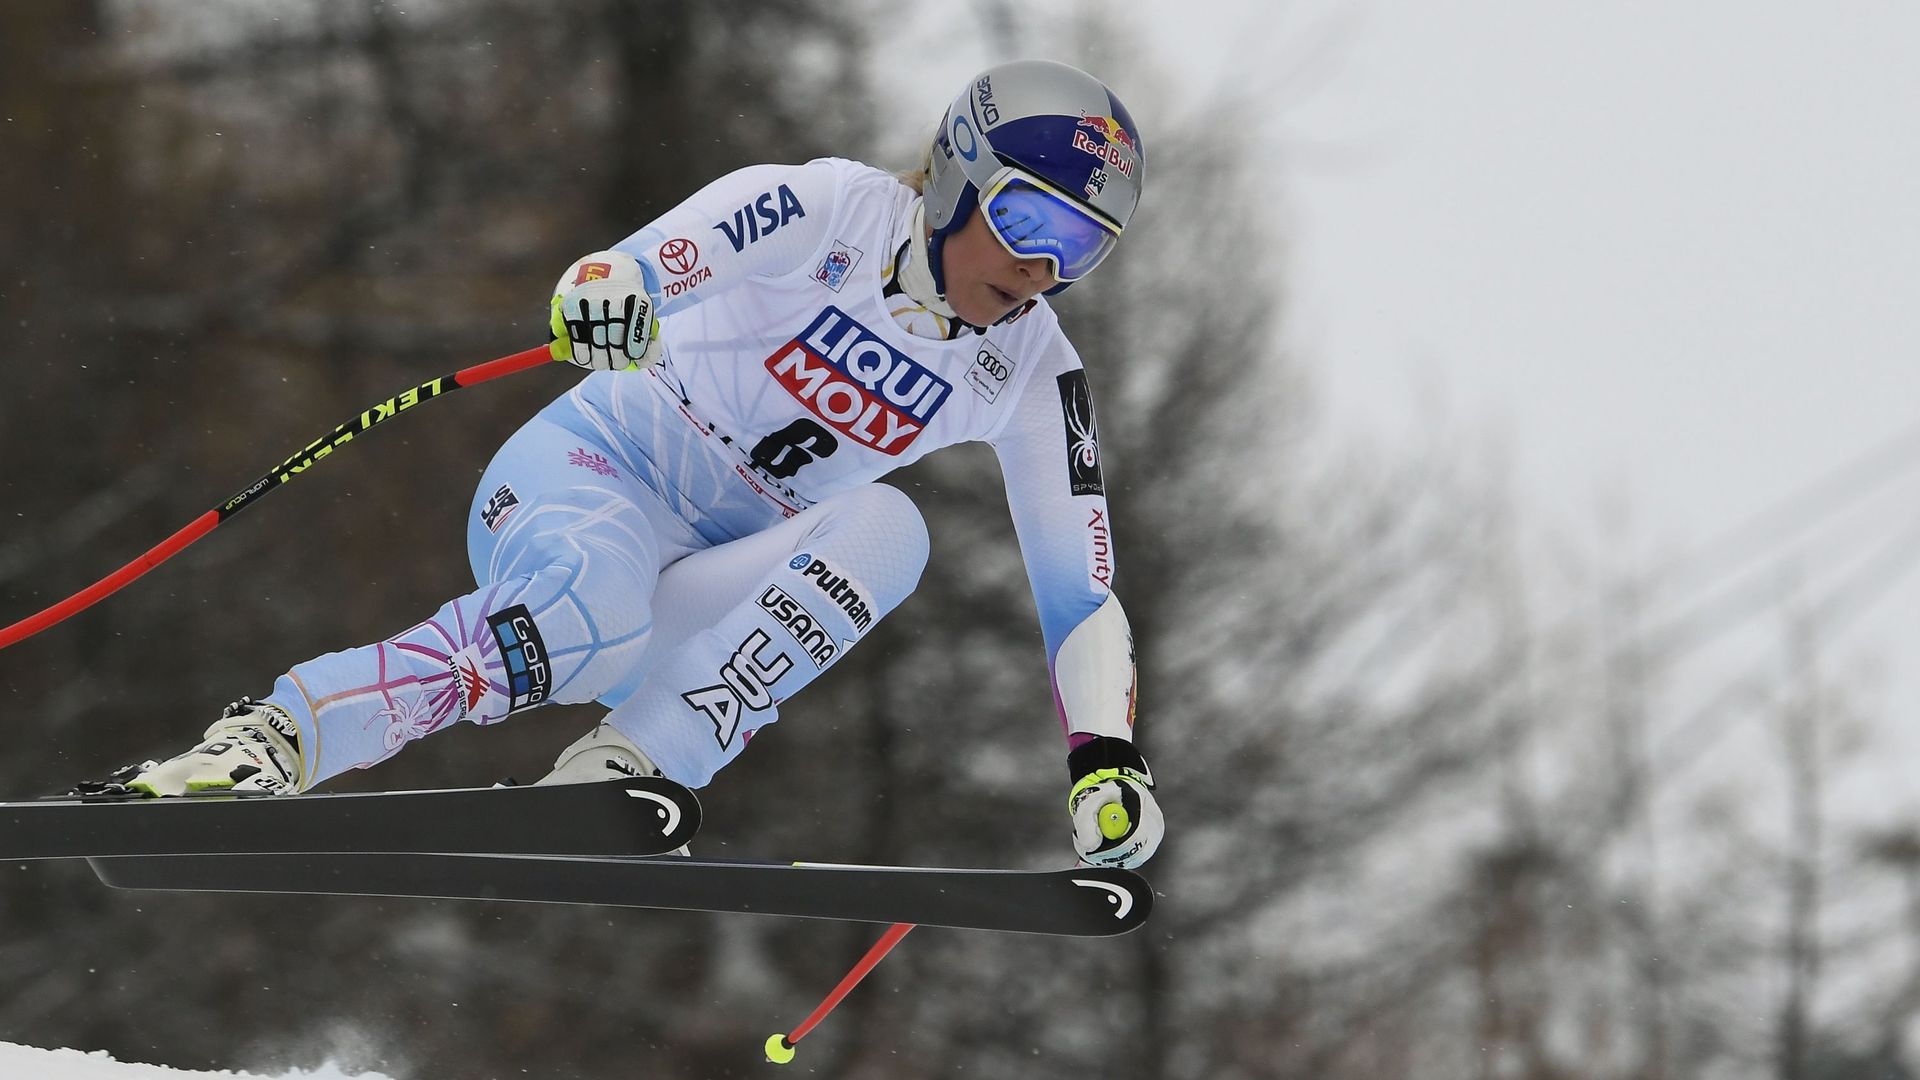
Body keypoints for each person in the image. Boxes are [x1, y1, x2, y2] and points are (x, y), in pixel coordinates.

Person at [108, 58, 1163, 870]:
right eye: (1028, 216)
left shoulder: (1033, 371)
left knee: (895, 529)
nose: (1040, 268)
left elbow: (1082, 590)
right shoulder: (829, 210)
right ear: (959, 174)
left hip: (700, 581)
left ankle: (631, 768)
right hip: (592, 475)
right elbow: (643, 265)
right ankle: (272, 742)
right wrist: (613, 292)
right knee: (584, 615)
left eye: (1082, 248)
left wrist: (1106, 760)